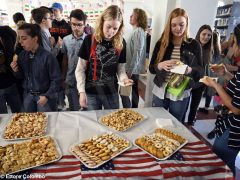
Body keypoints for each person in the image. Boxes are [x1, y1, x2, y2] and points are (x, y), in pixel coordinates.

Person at [149, 8, 203, 122]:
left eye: (181, 24)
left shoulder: (194, 45)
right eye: (174, 25)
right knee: (157, 121)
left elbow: (200, 72)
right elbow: (151, 68)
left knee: (175, 124)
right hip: (161, 89)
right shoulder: (162, 42)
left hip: (180, 92)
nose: (178, 28)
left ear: (186, 24)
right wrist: (160, 65)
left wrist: (189, 70)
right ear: (169, 25)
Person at [75, 5, 133, 110]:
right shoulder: (89, 40)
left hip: (111, 93)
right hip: (91, 93)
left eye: (115, 28)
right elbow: (80, 69)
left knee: (112, 123)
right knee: (93, 122)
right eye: (108, 26)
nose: (111, 32)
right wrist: (81, 91)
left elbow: (120, 70)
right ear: (102, 22)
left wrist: (124, 79)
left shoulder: (121, 42)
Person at [10, 23, 61, 112]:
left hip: (44, 96)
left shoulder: (48, 57)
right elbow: (20, 77)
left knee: (47, 123)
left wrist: (47, 95)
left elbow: (56, 80)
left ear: (35, 38)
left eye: (24, 38)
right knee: (29, 123)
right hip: (28, 96)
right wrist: (16, 70)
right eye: (19, 38)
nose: (20, 42)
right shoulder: (22, 55)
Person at [121, 8, 147, 108]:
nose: (130, 16)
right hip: (131, 67)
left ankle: (131, 110)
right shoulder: (136, 31)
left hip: (132, 69)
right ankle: (133, 109)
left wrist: (130, 70)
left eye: (133, 15)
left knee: (127, 91)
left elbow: (138, 52)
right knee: (131, 90)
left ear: (138, 18)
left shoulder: (139, 31)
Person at [186, 25, 213, 125]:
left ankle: (190, 123)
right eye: (204, 34)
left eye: (209, 35)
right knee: (184, 105)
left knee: (194, 106)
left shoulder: (210, 50)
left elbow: (207, 68)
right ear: (199, 34)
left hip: (201, 83)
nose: (206, 37)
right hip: (188, 81)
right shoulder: (191, 45)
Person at [61, 9, 87, 111]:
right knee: (73, 109)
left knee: (86, 109)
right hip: (70, 80)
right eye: (73, 24)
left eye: (79, 25)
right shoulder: (65, 40)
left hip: (85, 81)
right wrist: (63, 77)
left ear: (84, 24)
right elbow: (65, 59)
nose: (76, 28)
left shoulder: (89, 40)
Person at [49, 2, 72, 110]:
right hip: (53, 56)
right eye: (52, 10)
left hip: (65, 57)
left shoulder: (67, 25)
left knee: (64, 80)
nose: (53, 12)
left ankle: (65, 102)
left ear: (61, 11)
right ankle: (59, 103)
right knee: (55, 80)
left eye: (55, 10)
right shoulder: (50, 24)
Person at [198, 31, 222, 114]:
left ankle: (204, 108)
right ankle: (206, 107)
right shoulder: (218, 48)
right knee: (210, 91)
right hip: (215, 72)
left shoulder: (211, 49)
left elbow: (208, 62)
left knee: (203, 90)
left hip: (209, 72)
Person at [0, 25, 21, 113]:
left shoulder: (6, 32)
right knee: (2, 117)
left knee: (19, 113)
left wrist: (16, 54)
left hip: (11, 82)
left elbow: (16, 48)